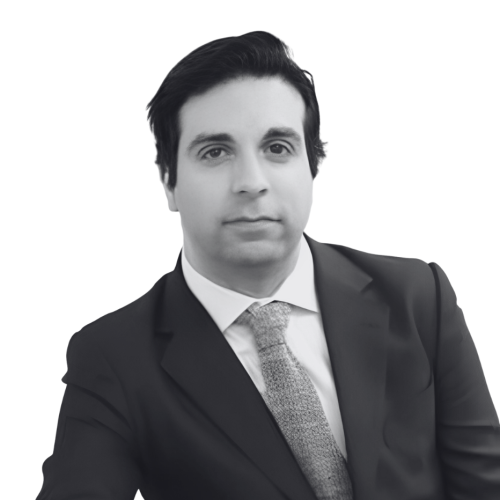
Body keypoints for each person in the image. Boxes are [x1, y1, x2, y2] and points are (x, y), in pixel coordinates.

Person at [35, 31, 500, 500]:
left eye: (277, 147)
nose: (251, 182)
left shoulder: (417, 297)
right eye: (215, 152)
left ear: (311, 167)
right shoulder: (114, 357)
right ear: (169, 181)